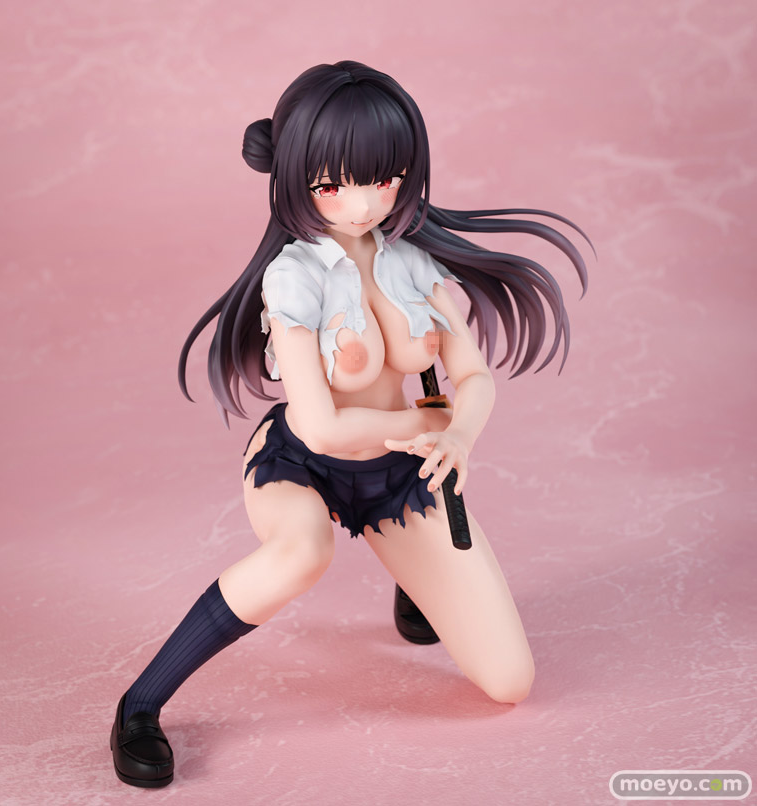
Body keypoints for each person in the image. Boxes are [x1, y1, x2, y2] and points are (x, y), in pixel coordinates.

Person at [110, 60, 590, 788]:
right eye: (334, 184)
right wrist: (420, 425)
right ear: (295, 178)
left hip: (401, 473)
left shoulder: (416, 261)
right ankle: (140, 704)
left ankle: (414, 584)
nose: (363, 204)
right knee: (302, 553)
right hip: (305, 464)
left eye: (384, 178)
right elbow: (324, 428)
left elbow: (473, 377)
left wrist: (458, 436)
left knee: (510, 682)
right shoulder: (293, 276)